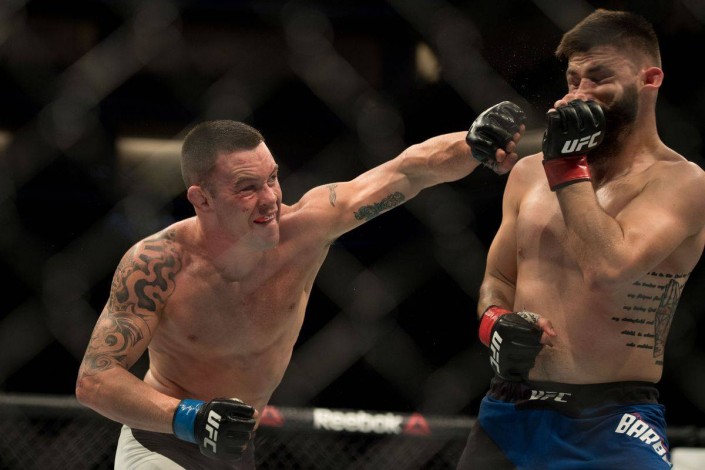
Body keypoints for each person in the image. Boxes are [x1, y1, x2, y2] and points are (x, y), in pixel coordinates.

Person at [75, 102, 526, 469]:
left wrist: (472, 143)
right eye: (247, 187)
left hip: (236, 449)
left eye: (272, 177)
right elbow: (95, 379)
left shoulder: (306, 228)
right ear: (202, 198)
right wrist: (190, 418)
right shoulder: (158, 264)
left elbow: (407, 171)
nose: (270, 198)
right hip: (162, 440)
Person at [459, 8, 705, 470]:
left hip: (611, 423)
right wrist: (495, 322)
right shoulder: (529, 174)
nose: (578, 94)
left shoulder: (681, 183)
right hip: (509, 414)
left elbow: (609, 269)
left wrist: (566, 167)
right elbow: (498, 278)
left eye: (599, 78)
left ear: (649, 79)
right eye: (573, 80)